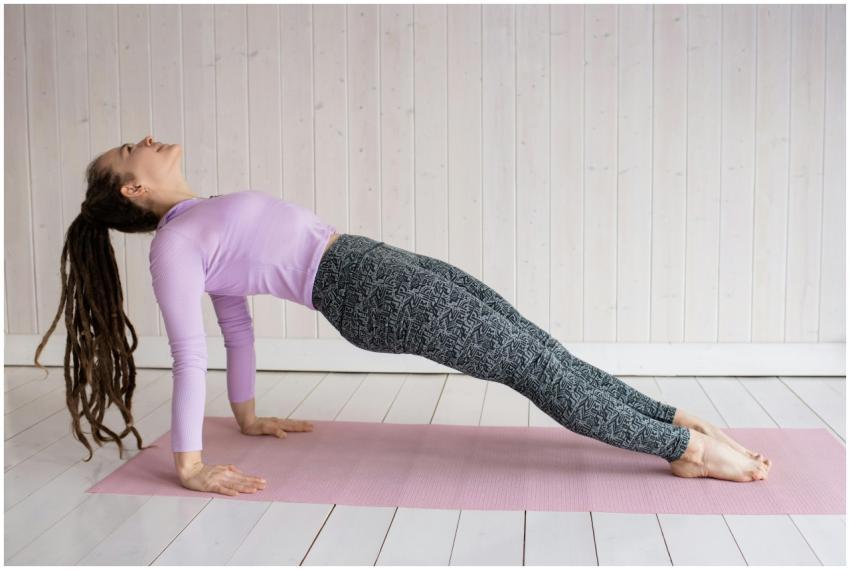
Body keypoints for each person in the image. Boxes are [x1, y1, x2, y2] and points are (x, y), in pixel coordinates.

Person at [35, 135, 771, 497]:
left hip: (370, 258)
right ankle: (684, 454)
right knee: (527, 366)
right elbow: (193, 350)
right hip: (364, 292)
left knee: (535, 344)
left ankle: (673, 419)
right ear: (131, 188)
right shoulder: (175, 245)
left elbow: (239, 327)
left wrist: (251, 417)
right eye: (135, 148)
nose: (151, 139)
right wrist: (189, 465)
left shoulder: (201, 220)